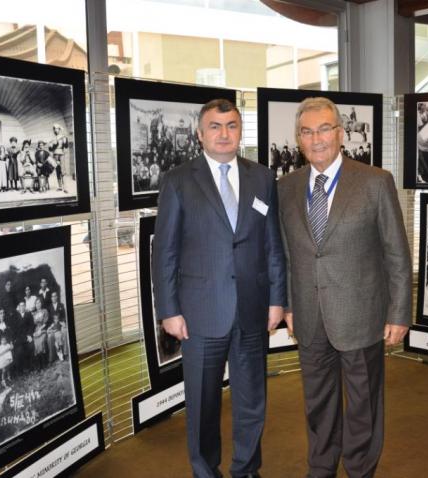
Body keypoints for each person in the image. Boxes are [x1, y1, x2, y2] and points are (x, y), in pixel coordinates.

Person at [152, 98, 286, 478]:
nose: (224, 134)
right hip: (199, 313)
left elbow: (272, 244)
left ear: (240, 131)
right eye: (215, 126)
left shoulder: (262, 177)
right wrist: (168, 310)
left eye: (231, 126)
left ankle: (246, 469)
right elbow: (165, 251)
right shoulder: (178, 180)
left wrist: (277, 299)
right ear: (200, 133)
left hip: (251, 309)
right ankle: (205, 471)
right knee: (202, 404)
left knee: (251, 401)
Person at [278, 97, 411, 477]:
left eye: (324, 129)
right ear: (299, 139)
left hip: (362, 314)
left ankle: (359, 470)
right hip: (308, 314)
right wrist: (289, 306)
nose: (316, 138)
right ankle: (320, 467)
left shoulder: (374, 181)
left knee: (363, 404)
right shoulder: (286, 187)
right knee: (317, 401)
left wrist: (399, 312)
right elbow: (287, 255)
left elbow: (396, 254)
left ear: (340, 133)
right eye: (307, 131)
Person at [48, 123, 69, 193]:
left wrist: (66, 142)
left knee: (63, 171)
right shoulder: (53, 138)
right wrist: (52, 145)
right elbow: (50, 149)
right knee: (58, 171)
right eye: (54, 129)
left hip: (61, 154)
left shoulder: (63, 137)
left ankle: (65, 187)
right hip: (55, 155)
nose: (55, 130)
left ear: (59, 129)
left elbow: (66, 146)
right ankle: (60, 187)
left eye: (56, 129)